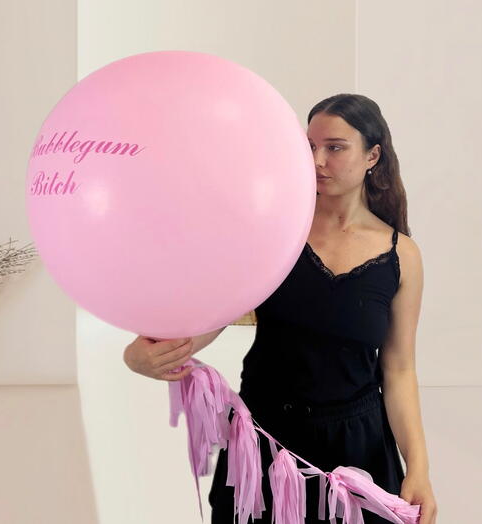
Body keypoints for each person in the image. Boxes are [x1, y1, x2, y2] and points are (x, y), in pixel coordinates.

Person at [123, 93, 438, 523]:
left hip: (359, 453)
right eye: (309, 146)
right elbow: (213, 319)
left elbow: (399, 370)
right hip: (267, 445)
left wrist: (418, 467)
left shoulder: (403, 257)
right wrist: (141, 355)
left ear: (373, 155)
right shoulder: (274, 232)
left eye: (335, 147)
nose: (317, 160)